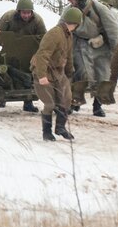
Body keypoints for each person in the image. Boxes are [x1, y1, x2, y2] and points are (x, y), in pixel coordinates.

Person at [0, 0, 47, 112]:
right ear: (18, 12)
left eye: (29, 13)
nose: (26, 15)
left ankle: (28, 103)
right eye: (24, 13)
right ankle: (2, 97)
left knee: (28, 73)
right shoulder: (8, 18)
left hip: (27, 51)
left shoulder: (37, 21)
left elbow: (44, 39)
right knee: (3, 68)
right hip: (8, 49)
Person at [66, 0, 118, 118]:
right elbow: (62, 27)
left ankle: (98, 106)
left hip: (99, 45)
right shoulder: (69, 10)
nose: (70, 1)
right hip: (78, 44)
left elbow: (113, 30)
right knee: (79, 73)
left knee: (102, 76)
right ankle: (74, 102)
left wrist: (117, 53)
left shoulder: (99, 8)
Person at [30, 7, 82, 141]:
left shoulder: (68, 35)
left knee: (66, 99)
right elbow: (42, 55)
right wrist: (41, 76)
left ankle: (60, 128)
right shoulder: (55, 34)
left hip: (58, 72)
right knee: (50, 103)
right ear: (77, 23)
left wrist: (70, 73)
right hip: (44, 71)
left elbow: (68, 56)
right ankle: (46, 132)